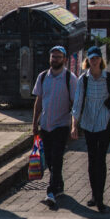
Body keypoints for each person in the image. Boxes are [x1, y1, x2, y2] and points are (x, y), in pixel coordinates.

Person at [71, 45, 110, 211]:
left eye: (97, 58)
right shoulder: (83, 79)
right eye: (92, 58)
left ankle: (100, 197)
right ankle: (94, 194)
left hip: (104, 122)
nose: (94, 61)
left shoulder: (108, 77)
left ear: (101, 60)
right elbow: (77, 103)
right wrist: (74, 125)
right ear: (88, 60)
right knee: (92, 160)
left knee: (101, 159)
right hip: (88, 123)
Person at [32, 45, 78, 210]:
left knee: (57, 156)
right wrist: (34, 123)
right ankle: (59, 184)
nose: (55, 60)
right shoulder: (43, 77)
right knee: (50, 159)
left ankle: (51, 191)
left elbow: (75, 103)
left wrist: (74, 125)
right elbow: (38, 101)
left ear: (64, 59)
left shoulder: (70, 78)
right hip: (46, 124)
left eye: (58, 57)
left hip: (61, 124)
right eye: (53, 57)